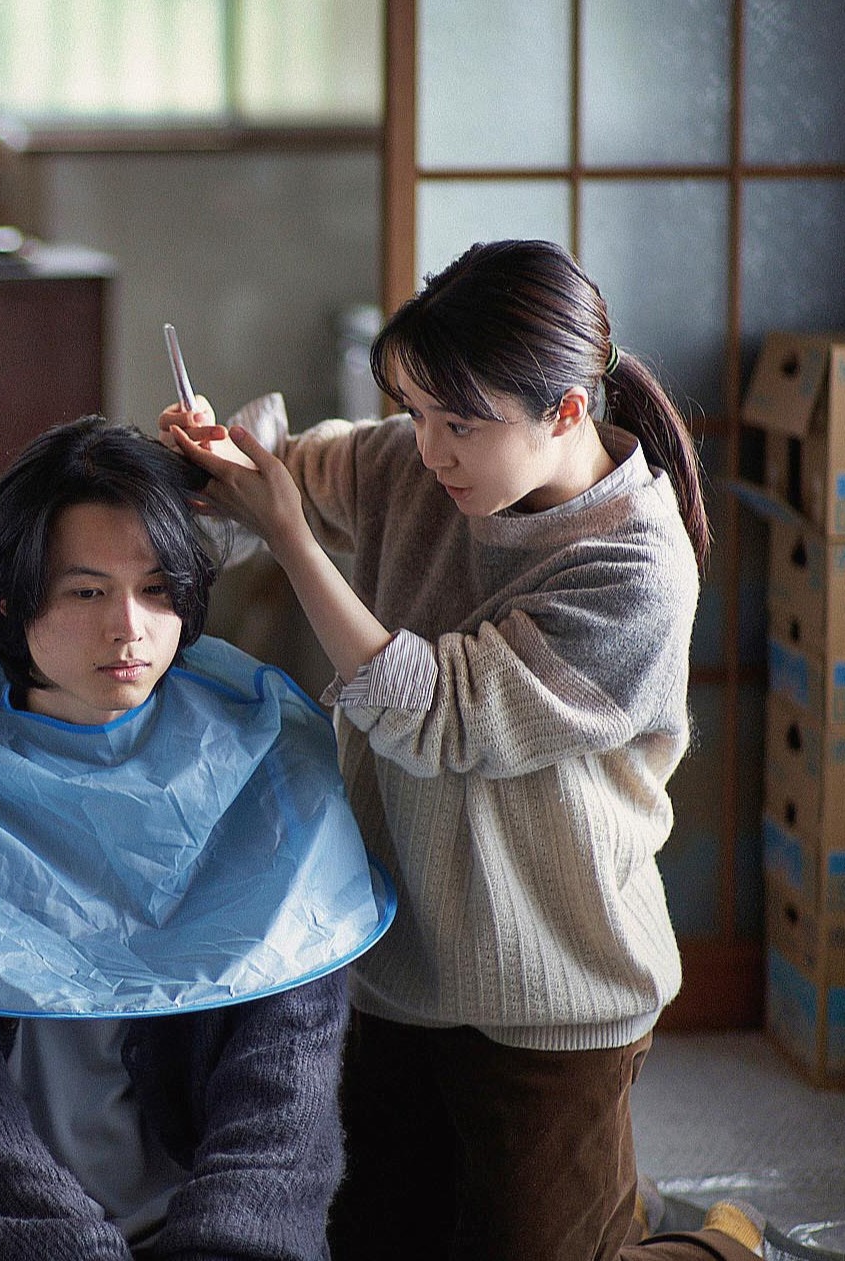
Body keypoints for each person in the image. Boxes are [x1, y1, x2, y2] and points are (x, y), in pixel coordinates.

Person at [160, 240, 766, 1261]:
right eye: (412, 411)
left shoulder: (635, 566)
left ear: (564, 411)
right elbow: (287, 475)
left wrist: (293, 540)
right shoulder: (415, 465)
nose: (429, 449)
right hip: (392, 961)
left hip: (554, 987)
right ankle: (619, 1207)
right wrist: (218, 461)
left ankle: (719, 1245)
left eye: (459, 423)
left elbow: (435, 715)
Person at [0, 415, 392, 1261]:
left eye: (158, 588)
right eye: (87, 592)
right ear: (7, 601)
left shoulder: (270, 764)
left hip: (205, 1227)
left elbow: (281, 1102)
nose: (128, 627)